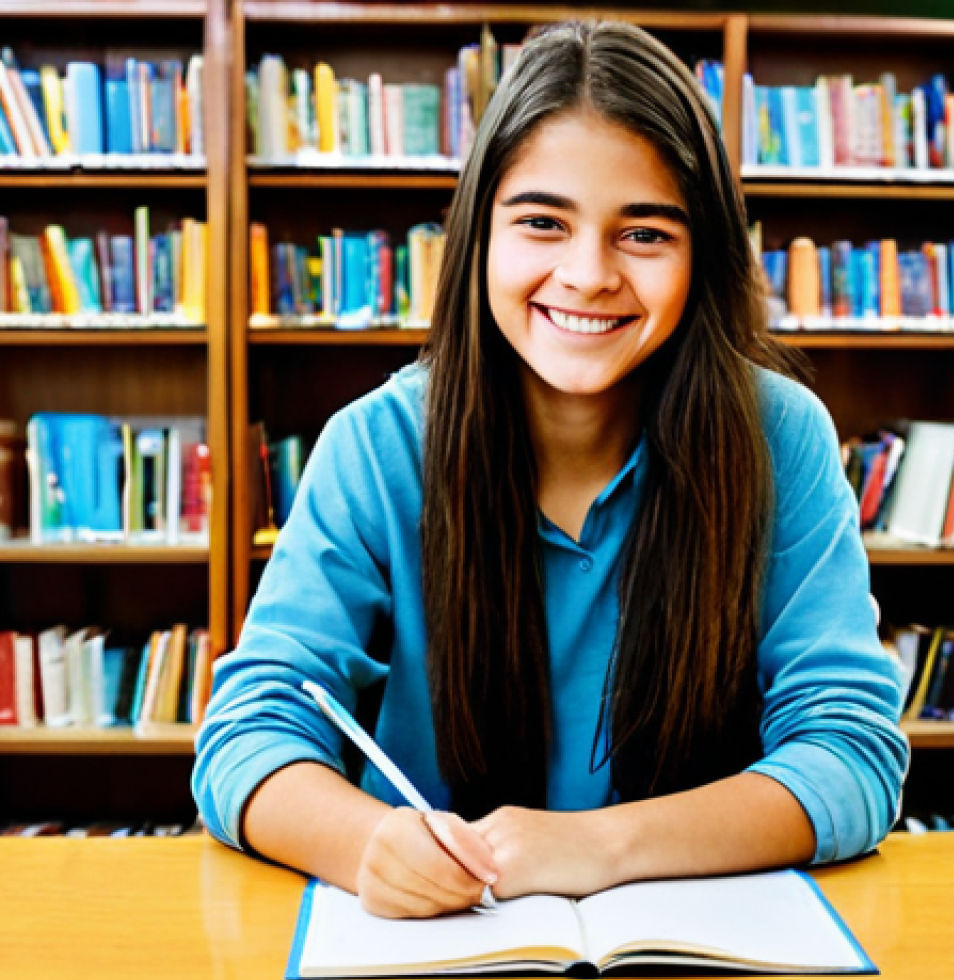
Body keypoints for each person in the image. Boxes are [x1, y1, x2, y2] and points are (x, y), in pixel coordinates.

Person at [194, 20, 909, 920]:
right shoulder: (375, 448)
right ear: (477, 236)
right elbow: (248, 733)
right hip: (446, 958)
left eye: (644, 234)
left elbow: (850, 753)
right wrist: (366, 845)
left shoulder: (780, 438)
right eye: (542, 223)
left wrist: (597, 847)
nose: (586, 274)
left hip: (701, 964)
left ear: (705, 256)